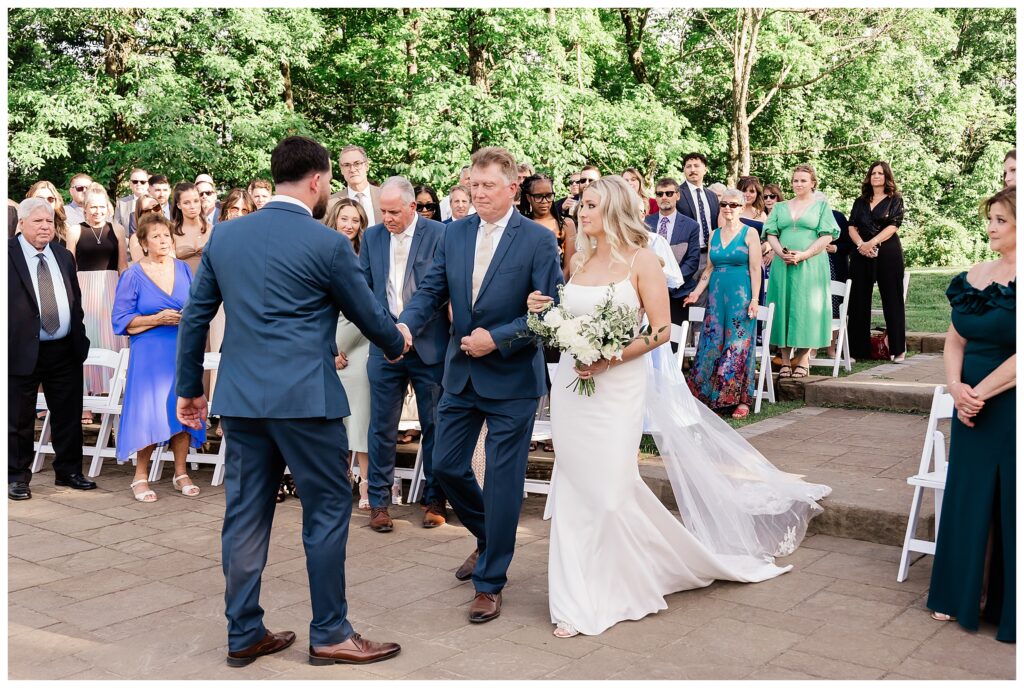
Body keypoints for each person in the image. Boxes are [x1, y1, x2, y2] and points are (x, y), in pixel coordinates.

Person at [526, 176, 827, 638]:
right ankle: (576, 597)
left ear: (613, 210)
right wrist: (541, 311)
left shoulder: (642, 259)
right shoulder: (579, 258)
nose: (580, 213)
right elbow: (569, 319)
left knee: (609, 493)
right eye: (581, 205)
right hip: (573, 384)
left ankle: (626, 579)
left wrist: (610, 357)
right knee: (575, 489)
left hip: (617, 385)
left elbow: (661, 331)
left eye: (589, 205)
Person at [176, 135, 410, 666]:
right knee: (326, 510)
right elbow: (370, 313)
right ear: (318, 180)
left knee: (245, 515)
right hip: (307, 400)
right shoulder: (326, 243)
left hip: (241, 399)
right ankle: (329, 630)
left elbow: (195, 318)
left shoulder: (226, 238)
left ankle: (243, 633)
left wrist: (190, 389)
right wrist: (398, 342)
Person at [398, 146, 562, 625]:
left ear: (513, 188)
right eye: (473, 184)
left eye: (488, 185)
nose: (478, 192)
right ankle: (490, 539)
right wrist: (403, 327)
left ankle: (490, 581)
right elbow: (431, 291)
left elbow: (548, 312)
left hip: (512, 378)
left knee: (503, 480)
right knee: (446, 465)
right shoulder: (454, 234)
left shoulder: (536, 240)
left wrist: (500, 338)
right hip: (461, 374)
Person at [928, 186, 1015, 643]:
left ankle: (1004, 604)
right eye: (990, 220)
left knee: (1007, 500)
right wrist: (955, 387)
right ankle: (960, 593)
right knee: (967, 492)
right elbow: (954, 338)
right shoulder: (977, 273)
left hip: (1008, 405)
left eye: (1000, 220)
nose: (990, 228)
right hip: (970, 403)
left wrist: (977, 393)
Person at [361, 177, 449, 532]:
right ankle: (379, 502)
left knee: (435, 426)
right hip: (385, 347)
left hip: (429, 344)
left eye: (394, 211)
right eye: (383, 211)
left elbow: (439, 290)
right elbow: (365, 292)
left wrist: (409, 331)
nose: (387, 218)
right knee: (382, 427)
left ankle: (436, 498)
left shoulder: (440, 235)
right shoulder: (372, 237)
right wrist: (387, 335)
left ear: (413, 207)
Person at [9, 198, 97, 500]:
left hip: (63, 348)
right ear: (22, 224)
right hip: (20, 349)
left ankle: (69, 471)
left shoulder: (61, 255)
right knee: (18, 418)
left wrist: (79, 336)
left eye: (49, 221)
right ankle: (16, 477)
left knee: (68, 414)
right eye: (38, 221)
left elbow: (75, 302)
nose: (45, 226)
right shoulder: (6, 255)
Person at [112, 214, 205, 502]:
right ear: (143, 242)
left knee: (181, 405)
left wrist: (185, 318)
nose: (163, 241)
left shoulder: (183, 269)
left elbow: (197, 305)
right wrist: (156, 319)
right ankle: (140, 475)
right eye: (156, 236)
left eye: (166, 235)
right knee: (148, 410)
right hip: (149, 352)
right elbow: (122, 321)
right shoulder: (133, 275)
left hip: (180, 348)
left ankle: (180, 472)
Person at [683, 188, 762, 418]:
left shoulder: (750, 234)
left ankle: (741, 400)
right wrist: (696, 293)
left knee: (737, 346)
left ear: (741, 207)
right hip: (716, 297)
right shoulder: (714, 234)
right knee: (712, 343)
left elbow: (755, 268)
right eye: (725, 204)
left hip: (741, 296)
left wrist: (755, 299)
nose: (728, 208)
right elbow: (708, 269)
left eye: (734, 205)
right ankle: (707, 396)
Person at [763, 165, 839, 378]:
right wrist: (781, 253)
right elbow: (770, 233)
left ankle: (804, 358)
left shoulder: (821, 206)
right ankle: (785, 359)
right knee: (783, 306)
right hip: (783, 264)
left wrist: (803, 255)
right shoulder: (780, 207)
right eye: (795, 180)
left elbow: (827, 236)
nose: (798, 184)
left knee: (807, 308)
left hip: (811, 264)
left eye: (803, 180)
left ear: (813, 183)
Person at [321, 198, 373, 509]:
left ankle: (368, 485)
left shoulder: (365, 257)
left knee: (362, 415)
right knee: (333, 420)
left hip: (362, 342)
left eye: (355, 220)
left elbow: (368, 305)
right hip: (329, 340)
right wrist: (329, 349)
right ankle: (337, 482)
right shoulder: (321, 252)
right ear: (334, 220)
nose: (349, 225)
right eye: (344, 219)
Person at [66, 184, 128, 403]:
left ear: (108, 208)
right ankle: (85, 399)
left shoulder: (117, 229)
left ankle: (109, 395)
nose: (97, 211)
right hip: (84, 289)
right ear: (85, 208)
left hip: (111, 289)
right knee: (87, 340)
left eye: (101, 207)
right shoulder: (75, 230)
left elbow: (123, 266)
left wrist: (128, 295)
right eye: (93, 207)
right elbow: (69, 267)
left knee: (111, 341)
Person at [846, 161, 907, 362]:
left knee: (893, 299)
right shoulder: (860, 201)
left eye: (880, 173)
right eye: (873, 173)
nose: (876, 176)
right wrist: (861, 245)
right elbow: (852, 226)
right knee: (857, 301)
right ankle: (857, 350)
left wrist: (872, 242)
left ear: (887, 177)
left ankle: (898, 349)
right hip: (860, 252)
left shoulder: (895, 200)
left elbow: (893, 226)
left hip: (887, 252)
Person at [643, 177, 701, 324]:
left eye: (669, 193)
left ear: (677, 195)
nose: (664, 197)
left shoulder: (691, 226)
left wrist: (670, 282)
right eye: (660, 194)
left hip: (678, 292)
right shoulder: (645, 224)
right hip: (649, 291)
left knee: (675, 340)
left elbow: (692, 261)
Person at [676, 153, 720, 307]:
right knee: (688, 301)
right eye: (688, 166)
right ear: (684, 170)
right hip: (688, 257)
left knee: (708, 300)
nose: (692, 169)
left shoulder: (712, 196)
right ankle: (687, 331)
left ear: (705, 169)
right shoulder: (677, 194)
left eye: (696, 166)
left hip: (710, 255)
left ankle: (701, 331)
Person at [519, 174, 578, 280]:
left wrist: (556, 289)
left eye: (549, 195)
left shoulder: (566, 224)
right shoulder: (522, 224)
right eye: (538, 196)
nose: (545, 201)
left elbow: (569, 266)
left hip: (558, 286)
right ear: (528, 198)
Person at [331, 144, 381, 226]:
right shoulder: (331, 203)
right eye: (347, 165)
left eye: (357, 163)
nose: (352, 169)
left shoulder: (384, 196)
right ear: (341, 170)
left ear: (366, 166)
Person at [26, 181, 69, 246]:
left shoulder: (65, 229)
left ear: (56, 203)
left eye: (50, 199)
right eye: (40, 199)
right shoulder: (22, 226)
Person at [128, 196, 167, 261]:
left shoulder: (172, 231)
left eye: (156, 207)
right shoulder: (136, 238)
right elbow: (141, 266)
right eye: (147, 211)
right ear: (140, 215)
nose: (153, 212)